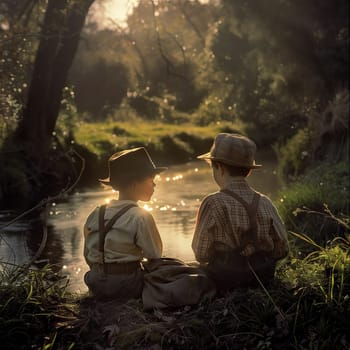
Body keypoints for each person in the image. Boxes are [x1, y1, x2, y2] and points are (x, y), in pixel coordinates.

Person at [192, 133, 289, 292]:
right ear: (248, 171)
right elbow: (282, 249)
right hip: (263, 277)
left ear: (220, 168)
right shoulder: (265, 202)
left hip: (226, 279)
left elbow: (201, 254)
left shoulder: (213, 202)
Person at [83, 147, 167, 300]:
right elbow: (155, 255)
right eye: (151, 181)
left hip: (95, 281)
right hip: (126, 285)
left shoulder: (96, 213)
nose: (154, 185)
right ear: (135, 184)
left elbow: (87, 254)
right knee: (172, 271)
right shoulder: (141, 216)